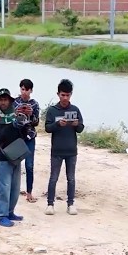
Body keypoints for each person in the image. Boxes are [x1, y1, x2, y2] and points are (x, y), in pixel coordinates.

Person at [44, 78, 85, 216]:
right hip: (57, 150)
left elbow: (81, 128)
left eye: (67, 95)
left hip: (71, 151)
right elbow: (47, 128)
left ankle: (71, 204)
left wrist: (76, 125)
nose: (65, 98)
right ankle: (50, 204)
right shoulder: (52, 110)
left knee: (71, 178)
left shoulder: (75, 110)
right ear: (58, 94)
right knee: (53, 178)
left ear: (71, 95)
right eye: (63, 95)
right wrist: (57, 125)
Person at [0, 88, 28, 227]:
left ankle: (10, 211)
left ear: (10, 101)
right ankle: (2, 216)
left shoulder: (16, 115)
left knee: (15, 187)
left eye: (5, 99)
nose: (3, 102)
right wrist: (12, 125)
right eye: (1, 100)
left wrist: (23, 124)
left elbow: (23, 134)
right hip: (3, 155)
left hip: (17, 154)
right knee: (3, 187)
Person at [15, 78, 41, 203]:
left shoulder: (34, 104)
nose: (24, 92)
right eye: (22, 89)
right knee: (15, 164)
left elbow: (36, 123)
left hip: (30, 136)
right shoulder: (14, 102)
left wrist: (31, 114)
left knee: (29, 165)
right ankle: (15, 189)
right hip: (17, 136)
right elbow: (10, 119)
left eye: (27, 90)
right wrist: (16, 113)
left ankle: (29, 192)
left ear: (31, 91)